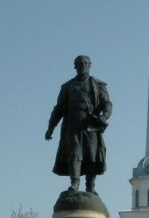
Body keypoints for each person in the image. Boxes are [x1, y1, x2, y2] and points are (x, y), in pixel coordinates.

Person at [45, 55, 112, 194]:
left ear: (89, 65)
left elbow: (107, 104)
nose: (82, 65)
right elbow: (58, 109)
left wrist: (104, 116)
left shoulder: (98, 85)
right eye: (79, 63)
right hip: (72, 127)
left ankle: (90, 187)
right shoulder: (67, 87)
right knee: (74, 155)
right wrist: (51, 127)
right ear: (75, 66)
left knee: (92, 156)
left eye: (85, 63)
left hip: (91, 127)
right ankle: (75, 184)